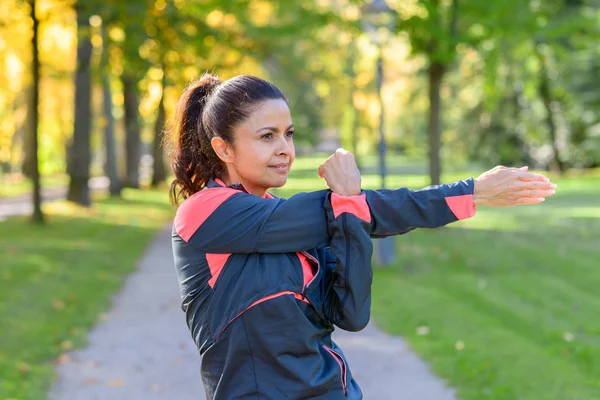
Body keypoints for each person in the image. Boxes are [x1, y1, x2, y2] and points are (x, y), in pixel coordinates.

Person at [168, 74, 556, 400]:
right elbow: (350, 209)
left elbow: (352, 314)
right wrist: (470, 191)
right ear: (224, 148)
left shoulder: (298, 229)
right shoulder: (204, 213)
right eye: (267, 136)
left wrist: (350, 209)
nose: (285, 149)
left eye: (289, 134)